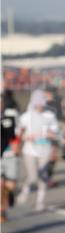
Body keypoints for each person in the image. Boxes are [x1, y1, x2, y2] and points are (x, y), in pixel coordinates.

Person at [16, 90, 60, 211]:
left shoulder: (50, 116)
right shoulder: (26, 116)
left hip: (44, 150)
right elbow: (18, 133)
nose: (39, 106)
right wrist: (26, 137)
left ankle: (40, 202)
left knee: (43, 176)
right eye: (37, 103)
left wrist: (51, 135)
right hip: (29, 150)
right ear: (33, 103)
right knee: (32, 176)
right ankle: (25, 191)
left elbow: (56, 133)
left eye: (41, 103)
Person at [1, 91, 20, 222]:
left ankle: (8, 199)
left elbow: (15, 136)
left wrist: (16, 147)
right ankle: (2, 211)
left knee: (10, 185)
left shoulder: (10, 118)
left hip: (9, 156)